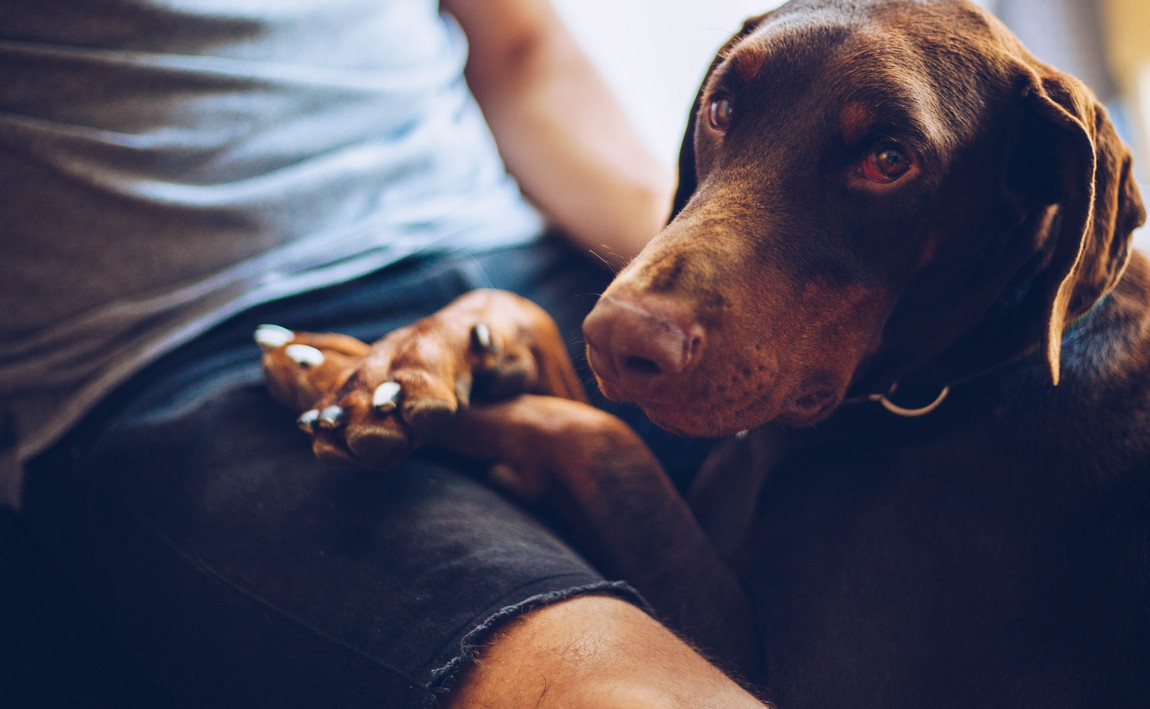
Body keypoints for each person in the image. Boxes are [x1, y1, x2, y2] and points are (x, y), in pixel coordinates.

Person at [0, 0, 766, 705]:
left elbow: (522, 56)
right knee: (618, 690)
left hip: (528, 270)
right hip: (190, 351)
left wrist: (680, 286)